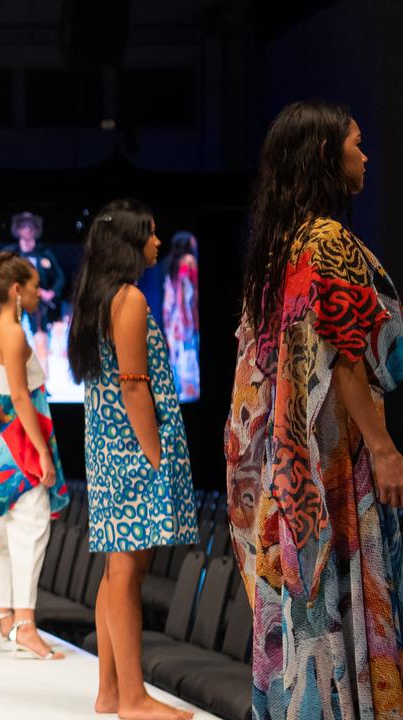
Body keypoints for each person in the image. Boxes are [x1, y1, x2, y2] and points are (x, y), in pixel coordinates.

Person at [227, 101, 403, 720]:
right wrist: (383, 447)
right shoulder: (326, 242)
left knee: (311, 620)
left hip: (292, 467)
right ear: (329, 155)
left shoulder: (281, 246)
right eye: (358, 143)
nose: (367, 155)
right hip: (333, 464)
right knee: (341, 609)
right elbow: (347, 356)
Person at [68, 199, 197, 720]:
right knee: (126, 572)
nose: (158, 242)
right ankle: (134, 698)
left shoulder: (100, 299)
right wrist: (156, 455)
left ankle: (110, 692)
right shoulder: (129, 299)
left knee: (115, 570)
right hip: (131, 448)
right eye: (150, 233)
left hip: (108, 446)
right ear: (128, 242)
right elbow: (135, 387)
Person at [0, 251, 70, 654]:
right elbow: (21, 396)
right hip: (15, 441)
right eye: (35, 285)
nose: (42, 292)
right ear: (16, 289)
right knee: (31, 527)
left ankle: (7, 616)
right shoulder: (13, 332)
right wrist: (41, 452)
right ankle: (24, 622)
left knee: (7, 532)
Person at [5, 212, 65, 374]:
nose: (27, 230)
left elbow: (59, 277)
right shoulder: (10, 254)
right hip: (15, 303)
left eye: (31, 227)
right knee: (13, 337)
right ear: (17, 230)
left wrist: (51, 292)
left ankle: (43, 376)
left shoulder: (44, 254)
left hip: (37, 305)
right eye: (23, 226)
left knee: (40, 338)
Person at [161, 232, 199, 402]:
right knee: (188, 352)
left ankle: (181, 393)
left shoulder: (172, 264)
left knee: (178, 355)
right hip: (185, 316)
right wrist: (186, 317)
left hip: (174, 317)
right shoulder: (188, 261)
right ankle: (189, 393)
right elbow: (184, 291)